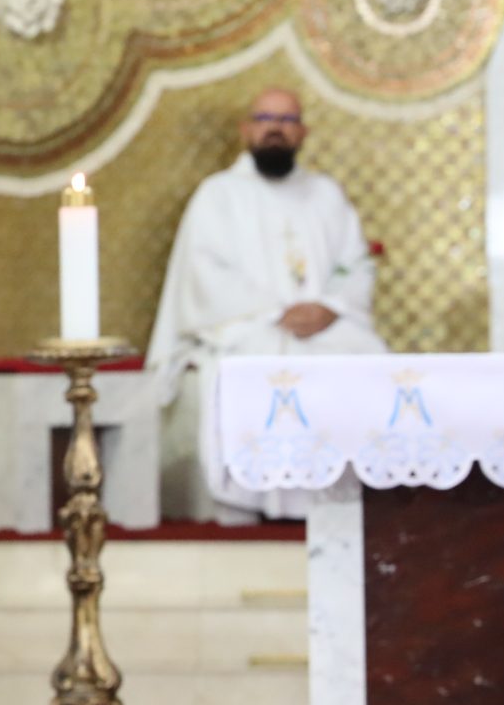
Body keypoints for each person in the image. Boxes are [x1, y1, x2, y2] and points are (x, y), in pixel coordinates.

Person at [150, 87, 387, 522]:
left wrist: (330, 306)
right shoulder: (218, 195)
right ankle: (254, 504)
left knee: (367, 358)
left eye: (287, 120)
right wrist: (277, 312)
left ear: (303, 132)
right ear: (246, 129)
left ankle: (341, 504)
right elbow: (205, 273)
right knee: (260, 366)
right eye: (265, 119)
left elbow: (355, 265)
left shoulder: (326, 195)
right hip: (250, 327)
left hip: (324, 327)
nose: (275, 129)